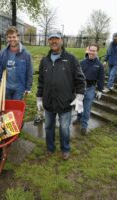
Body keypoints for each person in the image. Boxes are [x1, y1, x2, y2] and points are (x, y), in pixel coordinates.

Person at [36, 31, 86, 160]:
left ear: (61, 41)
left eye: (56, 39)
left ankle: (65, 149)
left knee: (64, 129)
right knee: (48, 127)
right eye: (51, 39)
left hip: (65, 103)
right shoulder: (45, 61)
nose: (54, 41)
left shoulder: (71, 59)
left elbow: (80, 79)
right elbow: (41, 81)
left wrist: (79, 96)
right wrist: (39, 98)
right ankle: (50, 148)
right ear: (48, 42)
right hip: (49, 102)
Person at [72, 44, 104, 135]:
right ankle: (78, 118)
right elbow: (76, 75)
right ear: (88, 51)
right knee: (79, 105)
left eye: (94, 51)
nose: (92, 52)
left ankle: (84, 126)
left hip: (91, 88)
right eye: (91, 50)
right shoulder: (82, 62)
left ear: (97, 52)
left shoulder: (99, 65)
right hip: (80, 87)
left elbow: (101, 78)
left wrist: (100, 90)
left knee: (87, 108)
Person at [0, 26, 33, 100]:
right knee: (7, 107)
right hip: (6, 87)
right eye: (9, 37)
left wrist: (28, 87)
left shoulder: (26, 54)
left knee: (15, 108)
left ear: (18, 37)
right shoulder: (3, 53)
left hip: (19, 88)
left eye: (14, 37)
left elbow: (29, 71)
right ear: (7, 38)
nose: (12, 39)